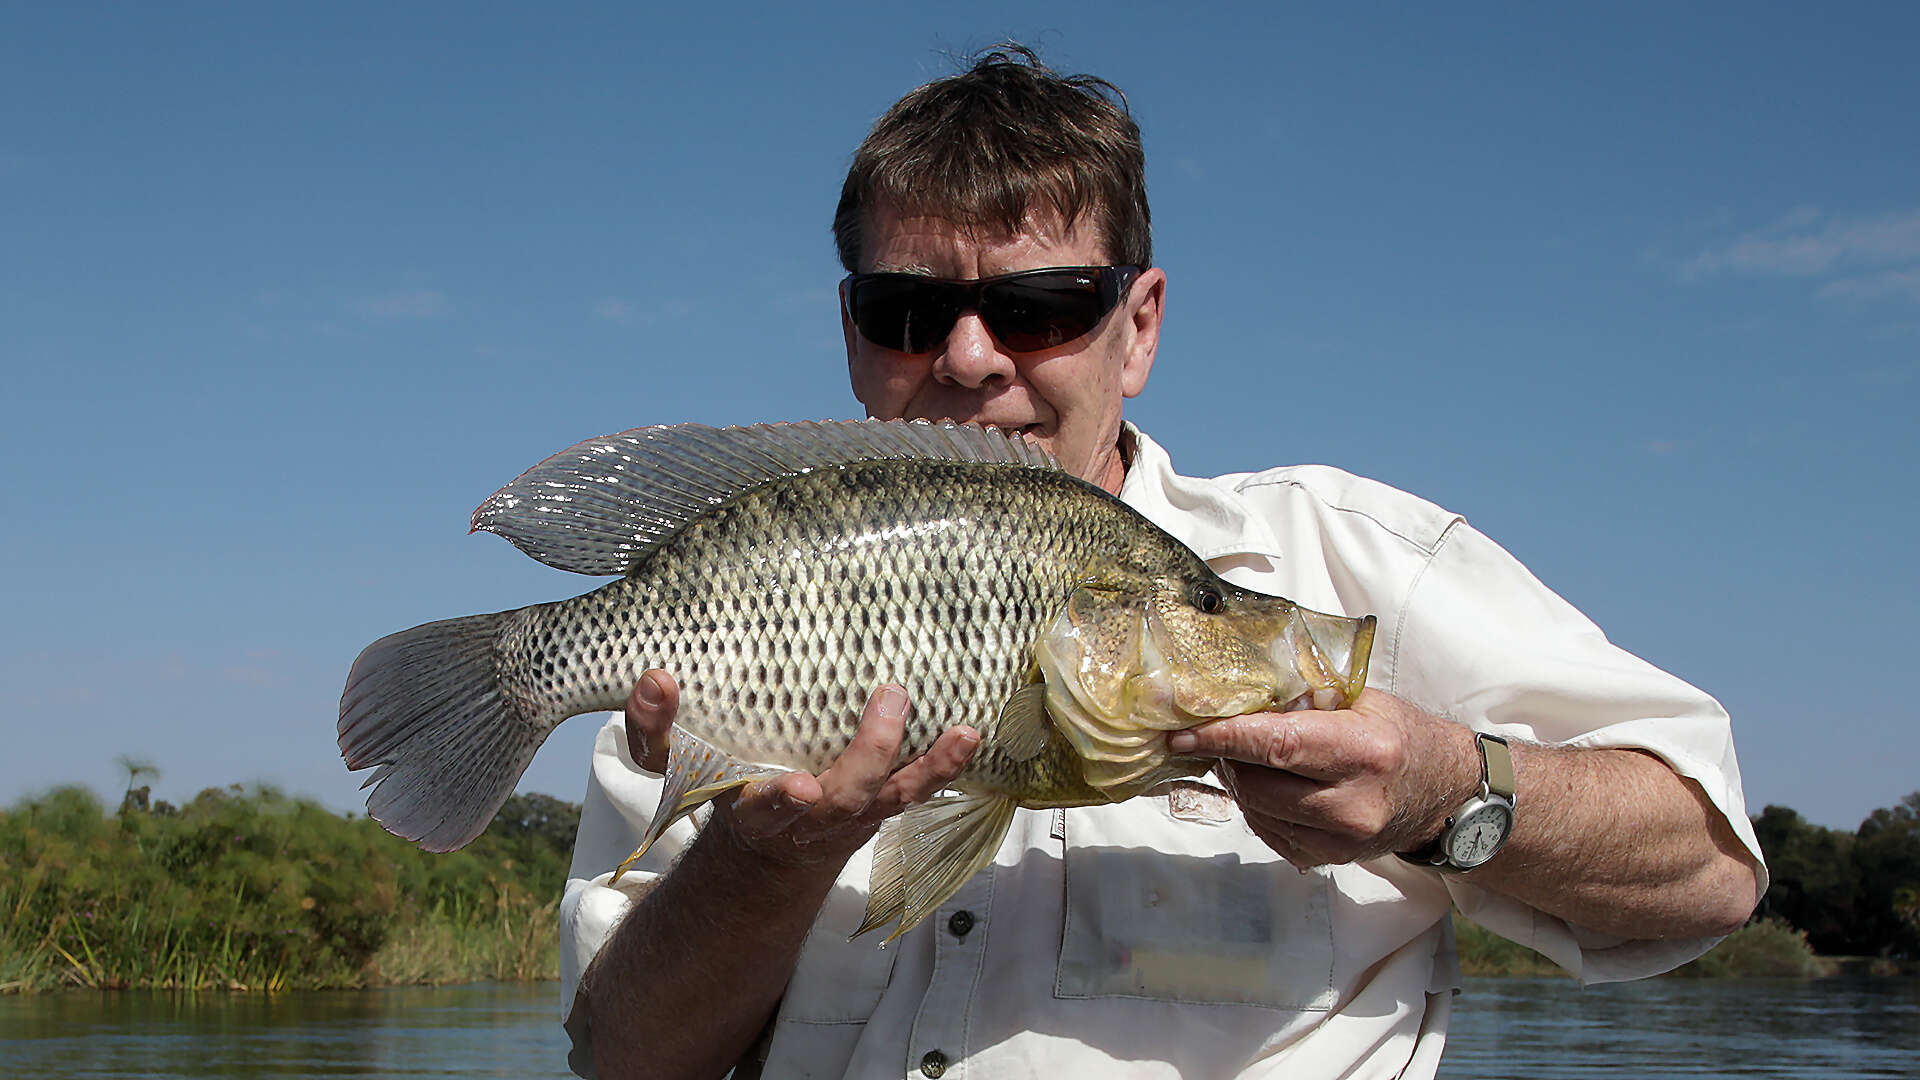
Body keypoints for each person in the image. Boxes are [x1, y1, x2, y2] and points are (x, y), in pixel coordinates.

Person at [559, 46, 1764, 1080]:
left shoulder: (1345, 558)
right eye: (908, 310)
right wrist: (766, 857)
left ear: (1138, 325)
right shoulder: (735, 629)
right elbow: (623, 1058)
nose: (973, 359)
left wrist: (1445, 789)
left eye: (1043, 304)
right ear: (852, 332)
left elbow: (1709, 873)